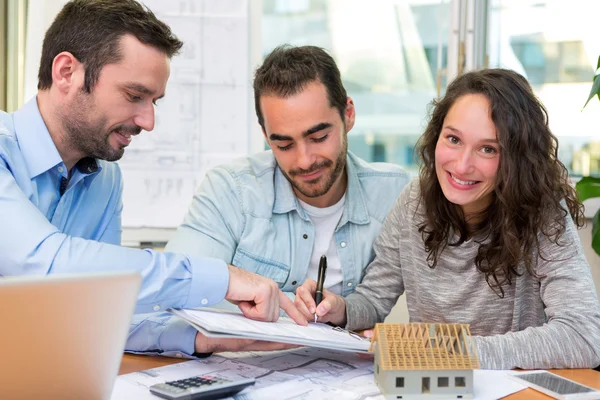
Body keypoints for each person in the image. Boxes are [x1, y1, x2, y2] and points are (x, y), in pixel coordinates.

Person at [0, 0, 305, 359]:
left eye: (154, 102)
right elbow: (46, 265)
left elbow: (103, 309)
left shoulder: (105, 178)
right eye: (134, 96)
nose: (147, 121)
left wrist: (201, 337)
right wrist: (221, 277)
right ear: (66, 72)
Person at [294, 68, 600, 370]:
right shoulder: (413, 201)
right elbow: (374, 300)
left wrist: (449, 350)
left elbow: (584, 336)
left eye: (487, 149)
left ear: (517, 160)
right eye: (453, 139)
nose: (462, 165)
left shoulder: (543, 213)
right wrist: (340, 309)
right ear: (436, 135)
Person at [137, 45, 410, 354]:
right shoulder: (231, 190)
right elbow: (166, 299)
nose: (305, 160)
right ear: (266, 136)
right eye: (284, 144)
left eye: (319, 138)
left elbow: (377, 300)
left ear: (348, 114)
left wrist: (344, 310)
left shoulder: (395, 193)